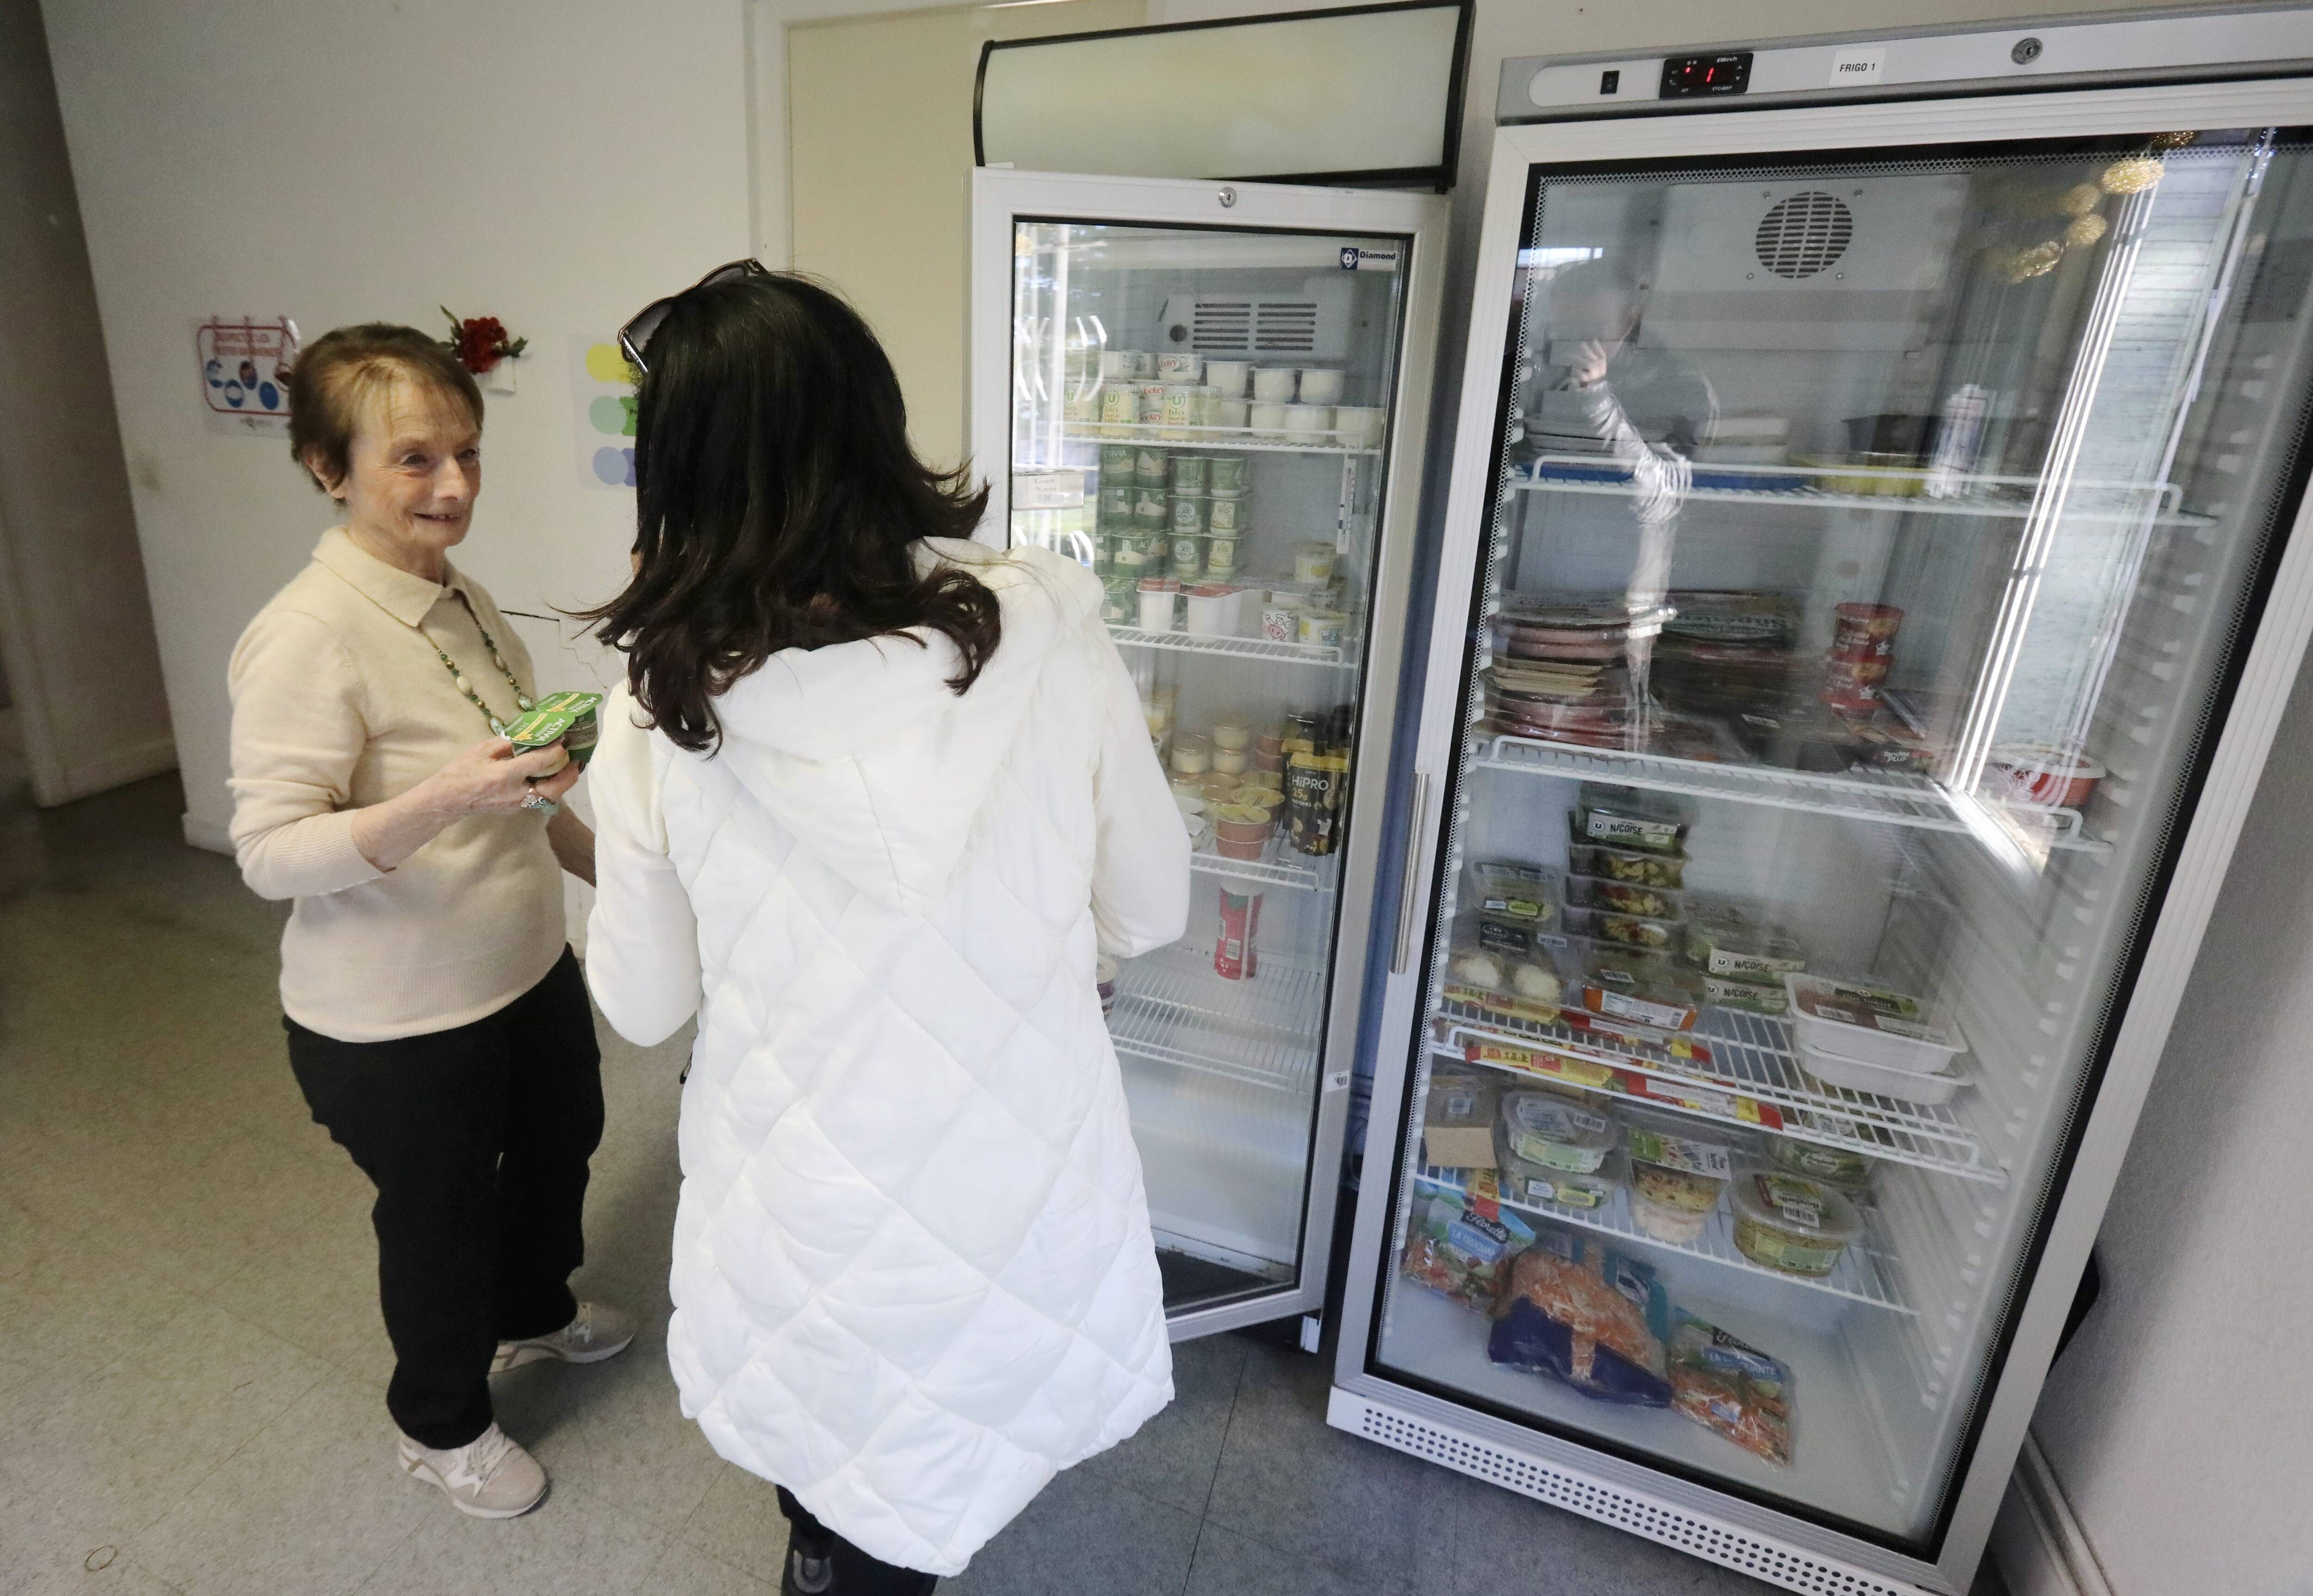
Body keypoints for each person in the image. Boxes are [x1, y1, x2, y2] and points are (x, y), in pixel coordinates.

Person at [581, 265, 1187, 1594]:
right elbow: (1153, 903)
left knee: (836, 1434)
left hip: (805, 1185)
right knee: (958, 1411)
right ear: (875, 423)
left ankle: (826, 1548)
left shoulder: (661, 705)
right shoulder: (1048, 628)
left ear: (679, 468)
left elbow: (640, 1003)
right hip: (1013, 1152)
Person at [226, 324, 633, 1520]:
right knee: (442, 1222)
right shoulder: (307, 634)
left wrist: (623, 874)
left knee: (563, 1144)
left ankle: (537, 1310)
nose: (452, 484)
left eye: (466, 451)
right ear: (325, 467)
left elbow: (520, 793)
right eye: (413, 458)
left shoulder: (461, 596)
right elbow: (267, 854)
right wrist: (443, 796)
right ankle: (441, 1422)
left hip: (523, 965)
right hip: (395, 1021)